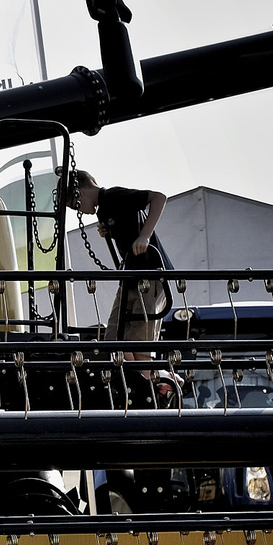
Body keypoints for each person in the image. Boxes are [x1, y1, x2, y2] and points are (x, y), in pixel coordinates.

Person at [67, 169, 178, 401]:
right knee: (114, 337)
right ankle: (149, 379)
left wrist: (145, 236)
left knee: (139, 341)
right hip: (132, 277)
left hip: (149, 273)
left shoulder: (113, 196)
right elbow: (126, 223)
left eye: (76, 205)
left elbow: (158, 197)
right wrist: (110, 230)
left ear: (80, 191)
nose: (79, 211)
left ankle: (153, 385)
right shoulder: (106, 209)